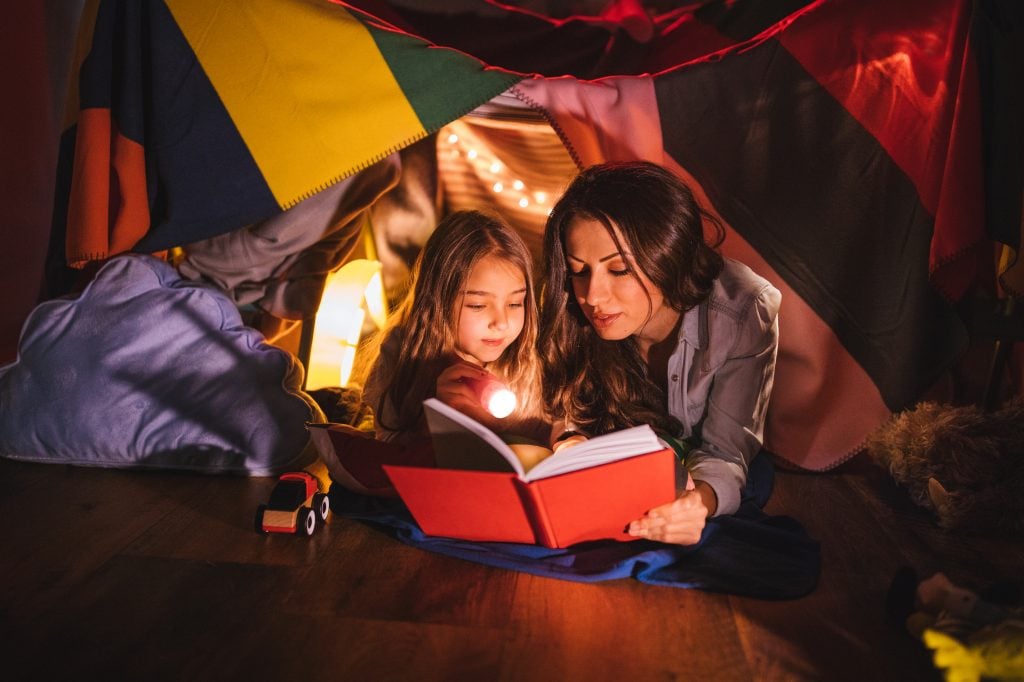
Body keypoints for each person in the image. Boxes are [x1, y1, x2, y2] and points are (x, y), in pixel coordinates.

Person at [539, 161, 781, 546]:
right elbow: (558, 404)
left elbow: (725, 452)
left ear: (667, 256)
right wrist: (570, 441)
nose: (592, 296)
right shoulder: (569, 303)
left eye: (619, 270)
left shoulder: (743, 310)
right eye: (578, 270)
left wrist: (694, 506)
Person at [360, 209, 549, 448]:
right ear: (438, 301)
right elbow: (389, 447)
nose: (501, 322)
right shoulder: (404, 353)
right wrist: (435, 420)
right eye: (477, 305)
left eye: (514, 303)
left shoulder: (529, 358)